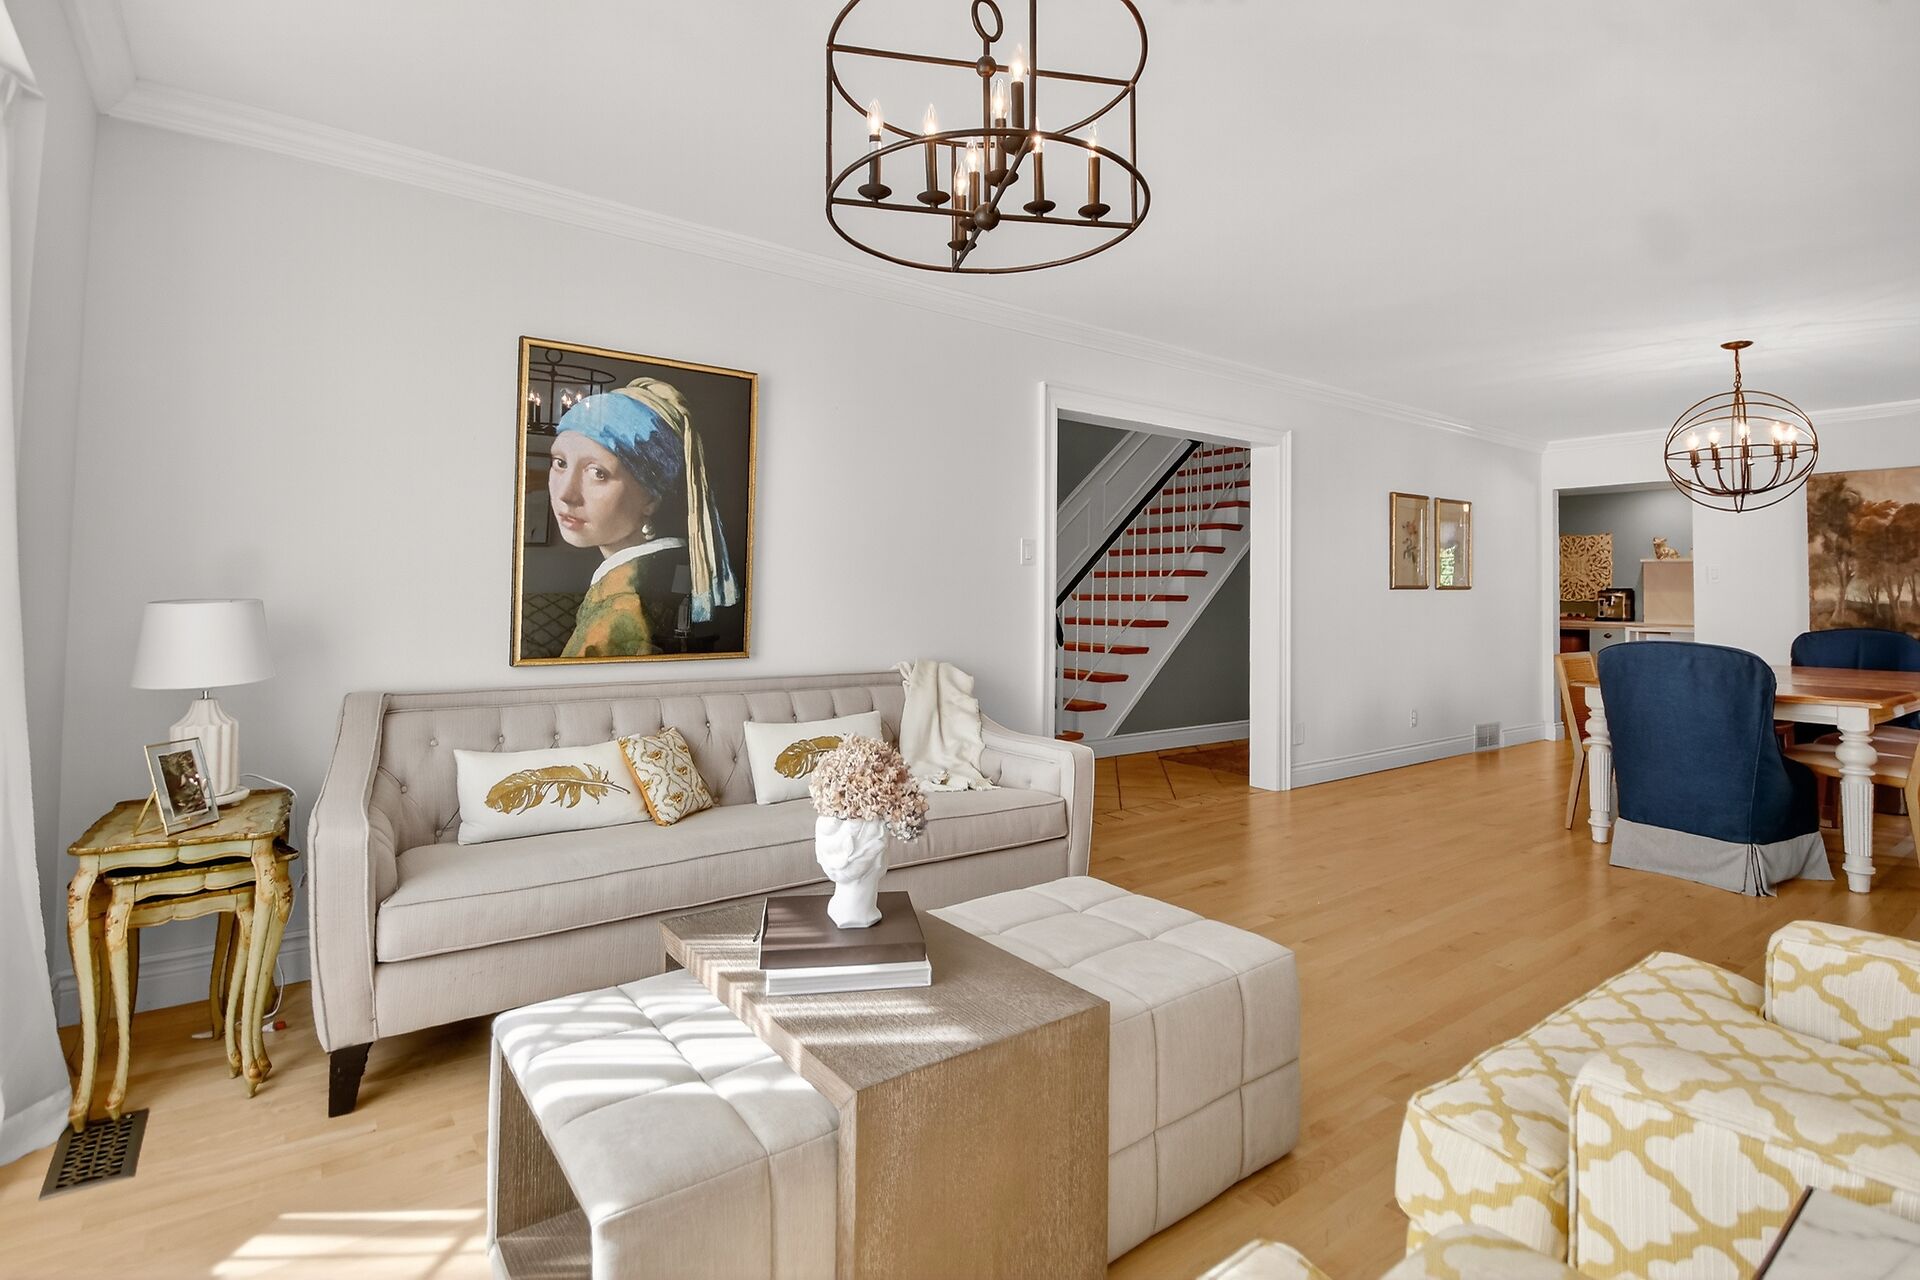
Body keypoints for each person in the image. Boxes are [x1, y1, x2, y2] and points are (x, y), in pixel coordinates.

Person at [547, 377, 740, 657]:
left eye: (598, 473)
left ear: (651, 497)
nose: (566, 494)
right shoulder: (669, 569)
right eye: (560, 463)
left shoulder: (623, 606)